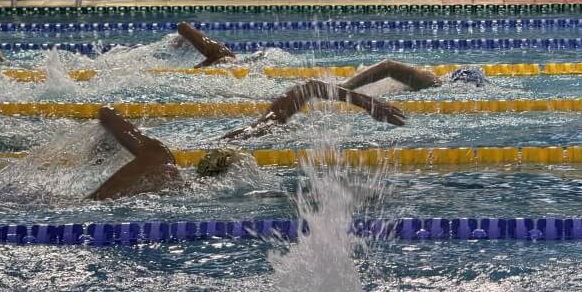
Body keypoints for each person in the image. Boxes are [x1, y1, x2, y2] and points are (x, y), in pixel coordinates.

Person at [88, 80, 405, 200]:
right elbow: (308, 89)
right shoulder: (257, 134)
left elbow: (106, 112)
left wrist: (367, 103)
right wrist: (367, 103)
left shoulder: (171, 172)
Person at [175, 22, 486, 87]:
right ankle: (188, 33)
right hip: (333, 85)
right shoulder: (431, 81)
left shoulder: (434, 84)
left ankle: (193, 43)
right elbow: (389, 66)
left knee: (228, 63)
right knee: (227, 61)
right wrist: (345, 89)